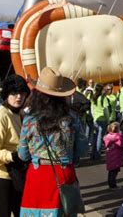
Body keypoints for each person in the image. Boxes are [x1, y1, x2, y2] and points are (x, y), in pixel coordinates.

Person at [18, 67, 87, 216]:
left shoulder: (30, 119)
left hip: (38, 175)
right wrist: (69, 156)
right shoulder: (72, 117)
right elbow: (83, 149)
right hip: (64, 172)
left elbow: (22, 154)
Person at [0, 75, 30, 217]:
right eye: (14, 93)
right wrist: (13, 156)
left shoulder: (19, 114)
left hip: (17, 175)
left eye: (22, 93)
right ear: (6, 95)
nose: (18, 97)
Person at [104, 122, 123, 188]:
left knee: (111, 171)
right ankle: (113, 185)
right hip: (116, 156)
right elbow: (122, 144)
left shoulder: (107, 136)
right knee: (115, 171)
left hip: (110, 156)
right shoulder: (117, 136)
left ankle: (110, 184)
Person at [90, 83, 110, 160]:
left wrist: (94, 117)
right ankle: (97, 154)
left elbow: (92, 109)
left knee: (95, 137)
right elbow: (106, 110)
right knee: (100, 137)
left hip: (96, 119)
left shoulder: (93, 97)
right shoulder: (103, 98)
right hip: (102, 119)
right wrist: (108, 120)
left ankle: (92, 154)